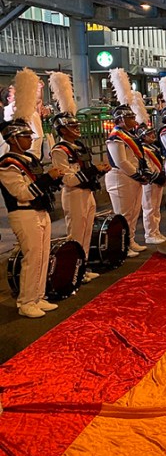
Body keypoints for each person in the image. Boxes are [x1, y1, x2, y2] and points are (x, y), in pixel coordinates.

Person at [0, 119, 64, 318]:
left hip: (40, 209)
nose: (29, 140)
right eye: (25, 137)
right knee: (32, 257)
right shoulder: (7, 164)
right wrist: (47, 179)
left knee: (43, 256)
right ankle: (26, 302)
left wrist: (54, 179)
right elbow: (21, 192)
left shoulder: (29, 159)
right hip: (23, 212)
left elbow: (40, 184)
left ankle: (38, 296)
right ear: (12, 140)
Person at [50, 112, 110, 281]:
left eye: (77, 126)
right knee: (76, 234)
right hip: (74, 194)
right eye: (72, 126)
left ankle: (82, 268)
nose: (77, 129)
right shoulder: (59, 150)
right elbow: (69, 179)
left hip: (86, 192)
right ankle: (71, 271)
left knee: (86, 233)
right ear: (62, 130)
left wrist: (99, 171)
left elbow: (85, 171)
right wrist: (93, 170)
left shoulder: (79, 146)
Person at [106, 106, 151, 256]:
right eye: (130, 118)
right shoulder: (116, 137)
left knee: (133, 212)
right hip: (121, 177)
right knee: (123, 214)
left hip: (132, 177)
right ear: (120, 120)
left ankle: (130, 240)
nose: (133, 120)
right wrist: (137, 175)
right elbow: (121, 161)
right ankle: (122, 246)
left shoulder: (128, 135)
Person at [136, 123, 166, 244]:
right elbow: (147, 167)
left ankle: (156, 231)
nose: (153, 135)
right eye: (149, 134)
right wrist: (157, 177)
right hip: (151, 181)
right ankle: (150, 234)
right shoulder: (142, 149)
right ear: (143, 136)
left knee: (156, 208)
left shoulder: (153, 147)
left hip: (158, 179)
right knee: (149, 207)